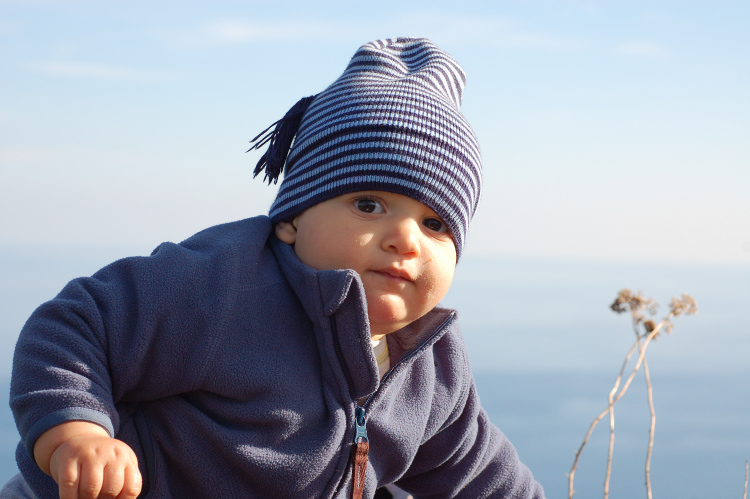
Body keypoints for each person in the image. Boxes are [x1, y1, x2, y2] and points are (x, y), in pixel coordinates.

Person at [4, 37, 545, 498]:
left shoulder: (433, 362)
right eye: (368, 205)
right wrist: (76, 435)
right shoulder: (223, 284)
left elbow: (477, 470)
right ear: (291, 218)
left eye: (435, 225)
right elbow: (76, 326)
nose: (405, 239)